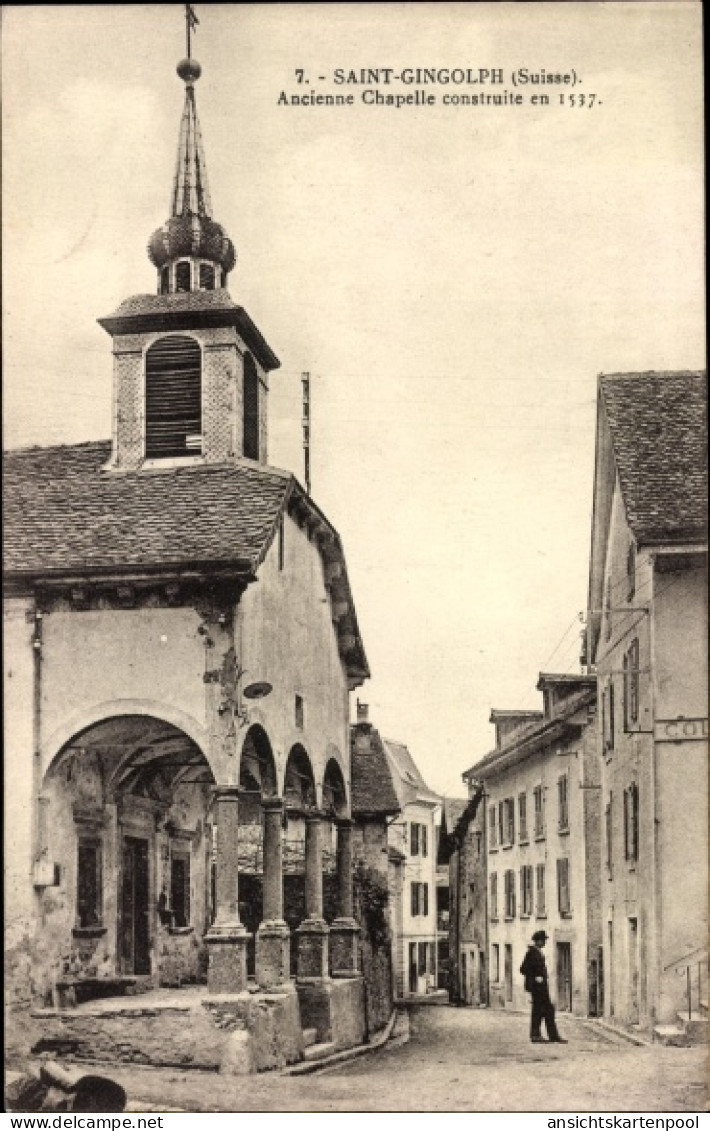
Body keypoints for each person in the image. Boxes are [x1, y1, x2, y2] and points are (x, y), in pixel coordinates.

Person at [519, 930, 568, 1044]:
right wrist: (535, 977)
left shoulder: (538, 952)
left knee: (548, 1010)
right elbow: (523, 969)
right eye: (543, 940)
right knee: (538, 1011)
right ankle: (536, 1035)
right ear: (538, 941)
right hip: (536, 987)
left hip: (542, 987)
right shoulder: (531, 952)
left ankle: (553, 1036)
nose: (545, 942)